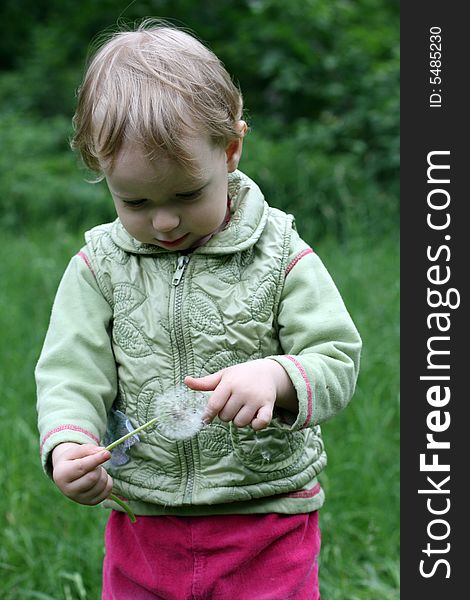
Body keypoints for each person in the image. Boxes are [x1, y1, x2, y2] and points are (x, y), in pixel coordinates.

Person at [36, 19, 361, 600]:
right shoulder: (99, 267)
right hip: (145, 521)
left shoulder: (280, 252)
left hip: (266, 519)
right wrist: (68, 442)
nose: (164, 221)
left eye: (187, 195)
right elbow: (70, 371)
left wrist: (279, 376)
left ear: (230, 149)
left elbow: (337, 357)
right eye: (134, 200)